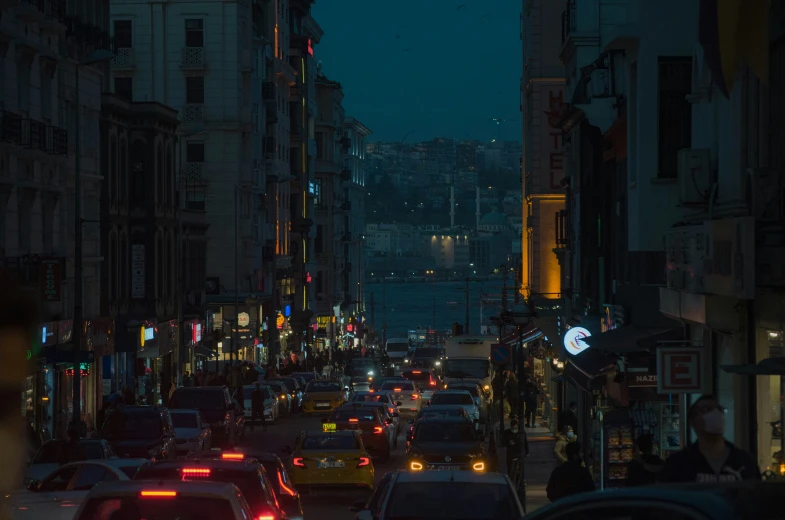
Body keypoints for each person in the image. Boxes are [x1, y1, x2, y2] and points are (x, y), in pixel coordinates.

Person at [658, 394, 760, 482]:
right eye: (706, 410)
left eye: (719, 409)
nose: (715, 414)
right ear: (693, 421)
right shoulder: (678, 464)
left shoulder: (744, 461)